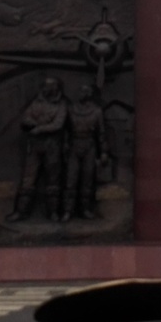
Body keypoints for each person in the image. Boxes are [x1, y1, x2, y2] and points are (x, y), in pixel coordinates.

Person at [12, 77, 68, 221]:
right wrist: (35, 123)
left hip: (52, 146)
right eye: (47, 86)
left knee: (53, 180)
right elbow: (25, 119)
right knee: (28, 180)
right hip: (35, 147)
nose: (49, 89)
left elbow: (58, 124)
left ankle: (54, 212)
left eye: (52, 86)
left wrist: (39, 128)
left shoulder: (61, 105)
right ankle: (21, 211)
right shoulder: (36, 103)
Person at [64, 84, 111, 220]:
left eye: (84, 91)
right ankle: (68, 210)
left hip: (89, 146)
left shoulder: (97, 111)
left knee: (87, 180)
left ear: (89, 93)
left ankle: (85, 209)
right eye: (80, 90)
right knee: (70, 180)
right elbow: (66, 130)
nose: (81, 93)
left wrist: (104, 152)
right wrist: (65, 145)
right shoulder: (71, 109)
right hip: (74, 146)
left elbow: (101, 133)